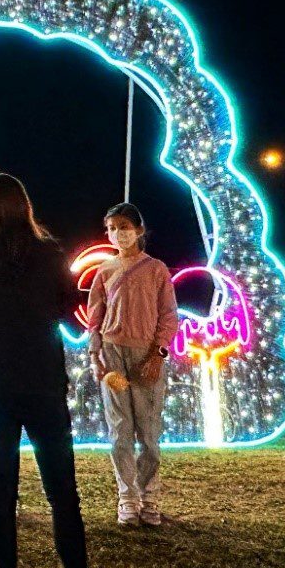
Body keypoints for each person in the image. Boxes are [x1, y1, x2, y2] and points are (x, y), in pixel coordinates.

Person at [0, 173, 123, 568]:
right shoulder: (49, 254)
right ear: (24, 206)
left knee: (0, 488)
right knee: (62, 492)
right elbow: (66, 307)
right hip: (41, 376)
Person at [86, 202, 179, 526]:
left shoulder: (156, 269)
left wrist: (158, 354)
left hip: (146, 355)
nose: (117, 233)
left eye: (124, 227)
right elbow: (95, 317)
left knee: (149, 432)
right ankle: (127, 499)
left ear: (139, 230)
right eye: (111, 228)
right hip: (112, 353)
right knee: (119, 431)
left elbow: (168, 315)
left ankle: (149, 497)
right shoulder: (105, 270)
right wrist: (95, 355)